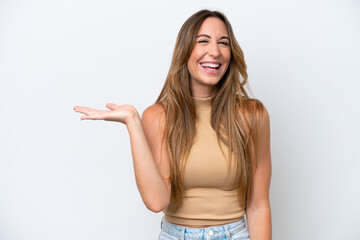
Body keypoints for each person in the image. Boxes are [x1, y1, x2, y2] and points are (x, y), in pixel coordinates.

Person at [73, 9, 271, 240]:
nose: (214, 52)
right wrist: (133, 123)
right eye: (203, 41)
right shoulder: (159, 116)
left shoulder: (252, 115)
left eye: (223, 43)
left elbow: (258, 206)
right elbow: (157, 201)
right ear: (185, 50)